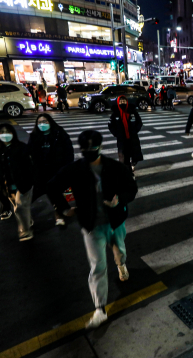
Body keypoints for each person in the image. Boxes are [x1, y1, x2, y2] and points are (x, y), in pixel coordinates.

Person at [47, 130, 138, 329]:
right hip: (91, 227)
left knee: (120, 251)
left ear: (100, 146)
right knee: (97, 267)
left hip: (116, 221)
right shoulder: (75, 169)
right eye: (85, 147)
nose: (89, 150)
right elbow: (52, 186)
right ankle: (100, 309)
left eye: (93, 146)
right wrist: (64, 208)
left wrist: (119, 199)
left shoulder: (114, 167)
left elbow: (132, 188)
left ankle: (121, 265)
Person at [0, 123, 35, 241]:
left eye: (7, 132)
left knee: (20, 206)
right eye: (1, 132)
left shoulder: (22, 147)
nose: (5, 135)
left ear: (13, 133)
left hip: (23, 183)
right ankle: (27, 219)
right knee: (16, 205)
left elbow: (30, 166)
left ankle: (25, 231)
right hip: (6, 185)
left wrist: (30, 179)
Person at [28, 114, 74, 226]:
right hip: (41, 172)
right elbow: (29, 153)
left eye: (45, 121)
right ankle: (22, 211)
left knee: (53, 191)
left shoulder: (59, 133)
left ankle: (59, 213)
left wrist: (67, 169)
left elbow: (69, 152)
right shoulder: (34, 136)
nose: (42, 124)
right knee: (33, 195)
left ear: (50, 122)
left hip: (57, 170)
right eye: (39, 122)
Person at [108, 96, 143, 174]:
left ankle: (132, 164)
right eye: (121, 102)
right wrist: (116, 133)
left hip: (132, 138)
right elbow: (110, 125)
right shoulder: (115, 113)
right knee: (125, 157)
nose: (122, 103)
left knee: (135, 155)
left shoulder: (132, 111)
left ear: (127, 102)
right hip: (122, 140)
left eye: (124, 101)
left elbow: (139, 122)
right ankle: (128, 172)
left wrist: (135, 130)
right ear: (118, 103)